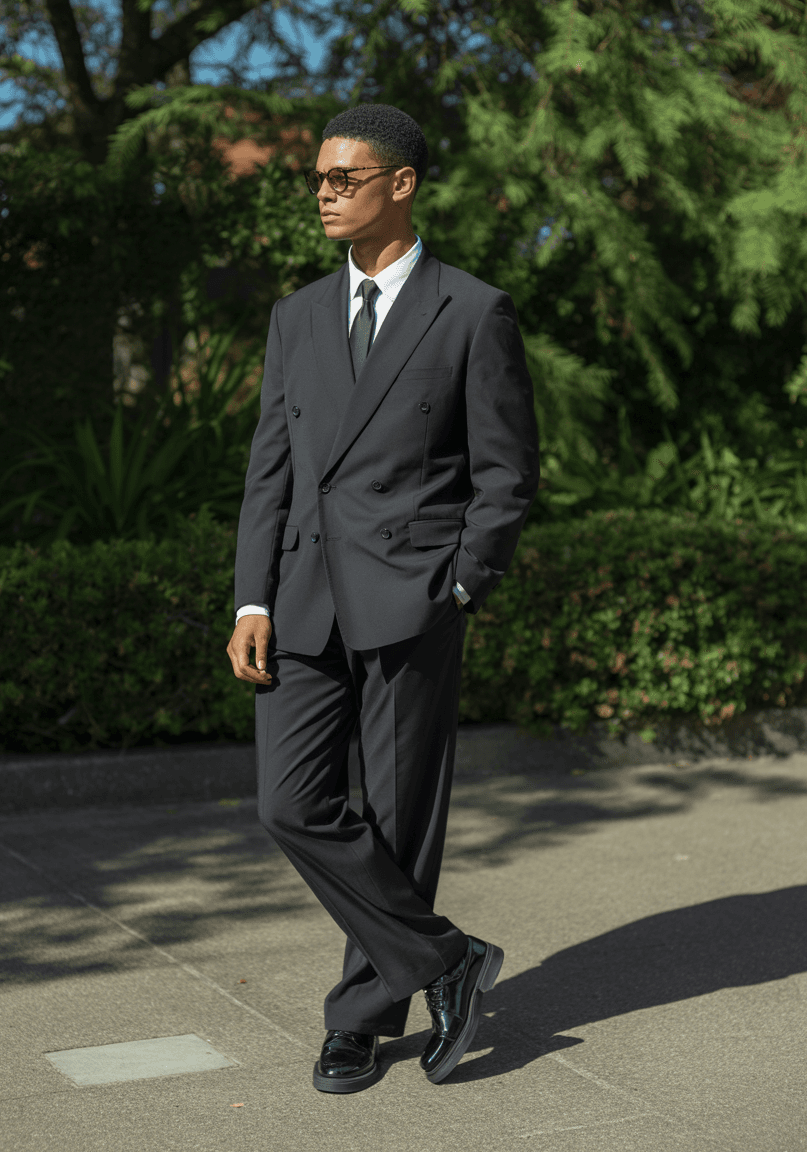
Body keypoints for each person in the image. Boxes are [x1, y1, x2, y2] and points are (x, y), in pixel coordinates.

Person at [227, 103, 539, 1093]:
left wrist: (462, 582)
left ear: (401, 184)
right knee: (289, 803)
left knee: (400, 820)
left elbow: (507, 472)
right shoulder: (298, 314)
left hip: (412, 598)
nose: (323, 193)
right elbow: (268, 472)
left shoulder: (472, 310)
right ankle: (446, 959)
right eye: (318, 179)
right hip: (304, 594)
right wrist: (251, 600)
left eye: (343, 179)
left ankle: (361, 1021)